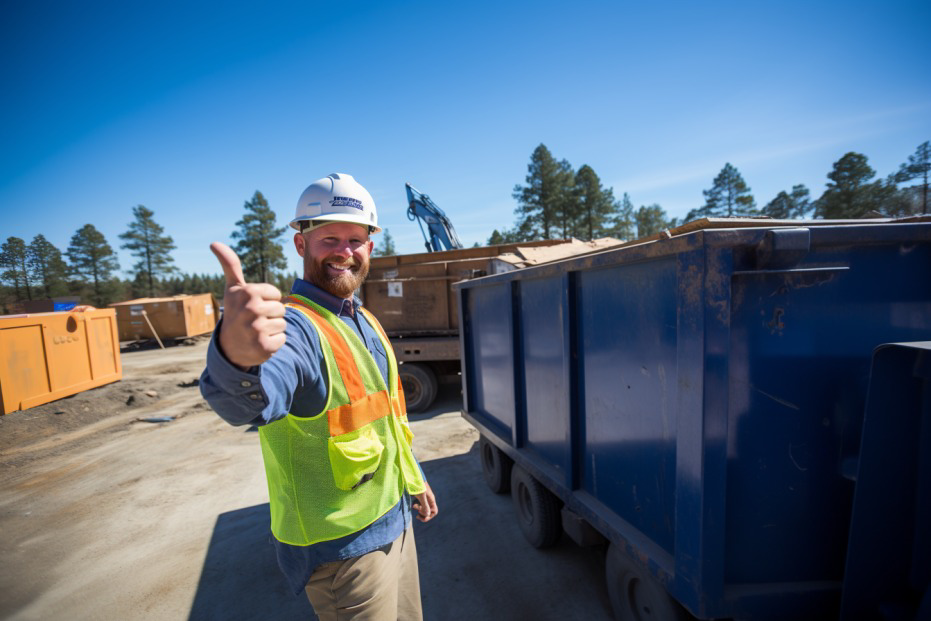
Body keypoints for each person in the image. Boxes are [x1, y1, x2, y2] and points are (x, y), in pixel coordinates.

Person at [200, 172, 438, 620]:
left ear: (371, 246)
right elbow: (244, 403)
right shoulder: (298, 328)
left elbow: (386, 420)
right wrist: (237, 357)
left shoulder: (362, 319)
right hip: (346, 556)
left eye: (356, 239)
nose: (344, 251)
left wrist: (415, 477)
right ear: (301, 245)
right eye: (329, 238)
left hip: (396, 521)